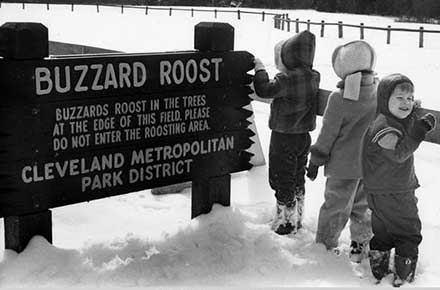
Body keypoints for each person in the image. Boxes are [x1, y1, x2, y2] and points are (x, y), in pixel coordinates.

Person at [306, 40, 378, 262]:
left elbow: (328, 133)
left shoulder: (339, 98)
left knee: (335, 208)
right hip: (369, 166)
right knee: (363, 208)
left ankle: (325, 249)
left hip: (342, 167)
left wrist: (316, 159)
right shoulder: (379, 93)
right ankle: (360, 246)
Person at [362, 73, 435, 286]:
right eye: (400, 98)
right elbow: (399, 153)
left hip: (379, 192)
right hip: (395, 193)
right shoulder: (384, 127)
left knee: (383, 232)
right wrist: (419, 131)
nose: (406, 103)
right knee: (408, 232)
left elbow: (404, 117)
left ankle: (378, 270)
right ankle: (403, 277)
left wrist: (414, 116)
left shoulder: (388, 118)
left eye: (410, 98)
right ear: (385, 99)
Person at [253, 30, 320, 235]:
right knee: (297, 175)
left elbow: (264, 90)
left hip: (283, 136)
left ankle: (285, 222)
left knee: (281, 177)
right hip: (303, 137)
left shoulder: (285, 79)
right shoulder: (314, 76)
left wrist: (260, 70)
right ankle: (298, 216)